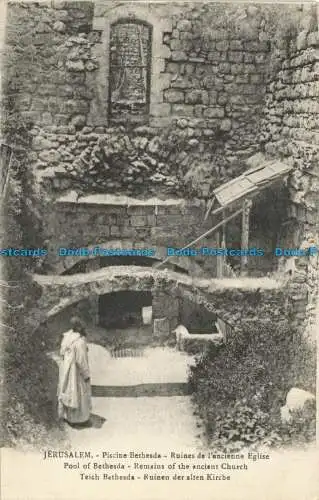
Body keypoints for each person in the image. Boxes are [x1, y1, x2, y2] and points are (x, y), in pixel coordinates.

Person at [57, 317, 92, 426]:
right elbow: (81, 360)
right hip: (76, 373)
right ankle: (80, 420)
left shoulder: (67, 337)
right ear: (80, 328)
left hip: (66, 370)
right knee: (79, 393)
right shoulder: (80, 342)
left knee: (68, 391)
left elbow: (62, 353)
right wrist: (86, 374)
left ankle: (68, 417)